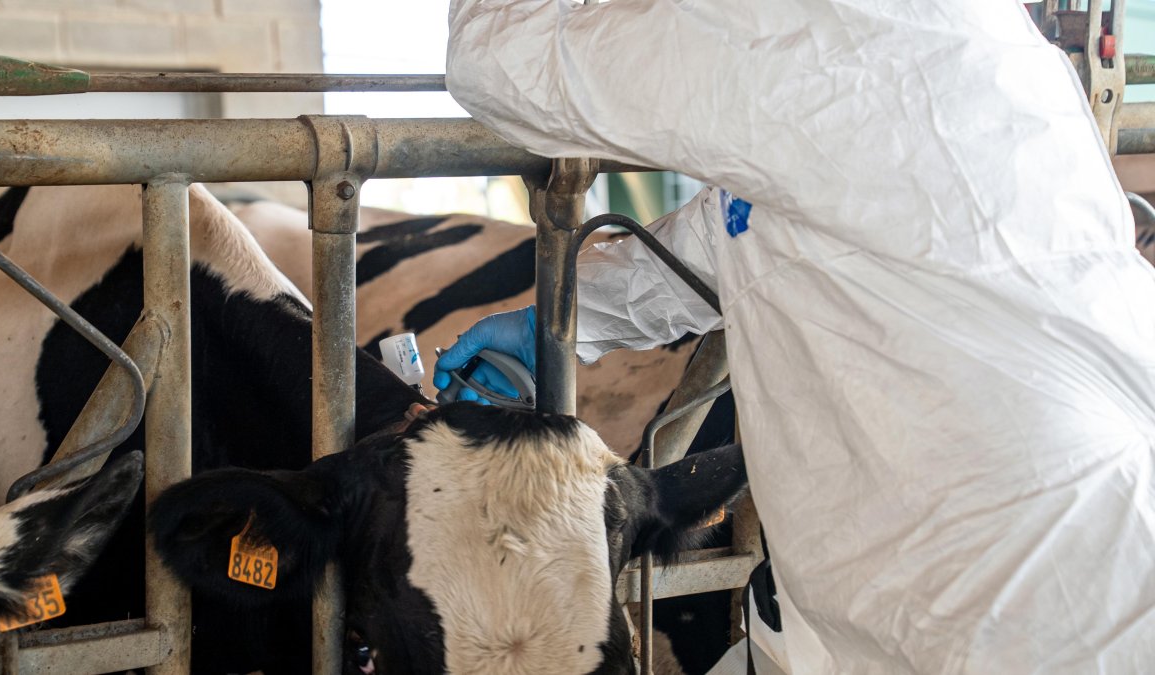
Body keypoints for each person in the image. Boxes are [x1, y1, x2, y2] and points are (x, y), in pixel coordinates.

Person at [438, 1, 1155, 673]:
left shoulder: (810, 29)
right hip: (1002, 552)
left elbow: (505, 62)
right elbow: (753, 221)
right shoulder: (959, 33)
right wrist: (567, 317)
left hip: (1015, 583)